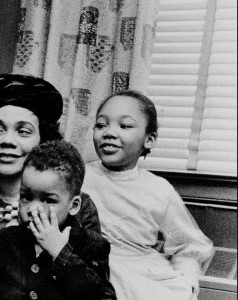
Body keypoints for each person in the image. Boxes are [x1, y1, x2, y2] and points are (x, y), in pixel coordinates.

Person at [0, 74, 101, 300]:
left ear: (43, 139)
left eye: (23, 131)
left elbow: (95, 287)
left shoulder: (76, 206)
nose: (7, 140)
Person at [83, 90, 213, 300]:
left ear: (149, 140)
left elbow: (191, 244)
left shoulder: (158, 189)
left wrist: (186, 281)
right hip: (85, 267)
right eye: (101, 125)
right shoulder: (78, 176)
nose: (109, 132)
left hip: (138, 274)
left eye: (124, 126)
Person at [0, 140, 116, 300]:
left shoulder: (92, 246)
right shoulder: (2, 241)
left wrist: (61, 253)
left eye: (48, 200)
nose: (32, 209)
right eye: (26, 197)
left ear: (74, 205)